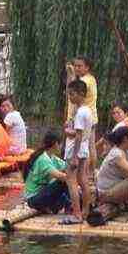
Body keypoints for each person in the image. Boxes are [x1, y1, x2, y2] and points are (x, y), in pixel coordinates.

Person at [62, 79, 93, 225]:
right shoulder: (88, 110)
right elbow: (81, 132)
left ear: (81, 94)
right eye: (69, 94)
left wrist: (74, 157)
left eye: (72, 94)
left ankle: (77, 214)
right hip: (84, 149)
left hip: (75, 150)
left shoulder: (80, 112)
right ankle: (86, 211)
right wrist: (70, 128)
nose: (70, 97)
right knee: (83, 179)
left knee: (71, 181)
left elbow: (78, 135)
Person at [22, 132, 69, 214]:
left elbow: (68, 167)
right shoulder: (43, 159)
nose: (62, 147)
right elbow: (61, 176)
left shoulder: (53, 158)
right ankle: (74, 208)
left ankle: (68, 206)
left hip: (43, 195)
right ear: (55, 144)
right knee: (63, 182)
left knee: (66, 195)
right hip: (33, 199)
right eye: (60, 144)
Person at [65, 57, 98, 172]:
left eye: (80, 66)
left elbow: (73, 88)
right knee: (89, 146)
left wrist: (71, 74)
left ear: (87, 67)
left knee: (86, 147)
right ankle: (89, 173)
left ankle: (87, 172)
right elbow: (71, 88)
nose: (76, 68)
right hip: (87, 117)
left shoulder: (86, 80)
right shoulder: (89, 79)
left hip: (83, 119)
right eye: (75, 66)